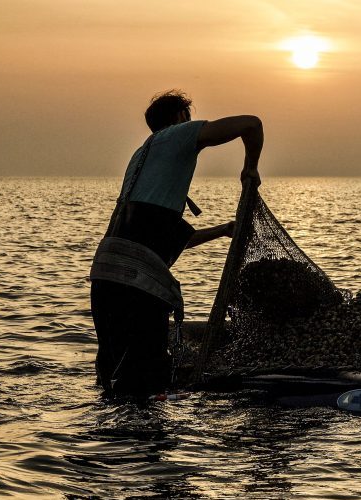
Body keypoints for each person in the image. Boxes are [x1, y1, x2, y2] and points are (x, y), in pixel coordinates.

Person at [89, 90, 263, 398]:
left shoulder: (142, 157)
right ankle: (148, 440)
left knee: (113, 373)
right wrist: (250, 167)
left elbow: (166, 236)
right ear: (181, 118)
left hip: (105, 273)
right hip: (138, 281)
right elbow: (251, 124)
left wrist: (224, 230)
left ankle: (107, 441)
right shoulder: (179, 135)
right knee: (148, 375)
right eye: (189, 117)